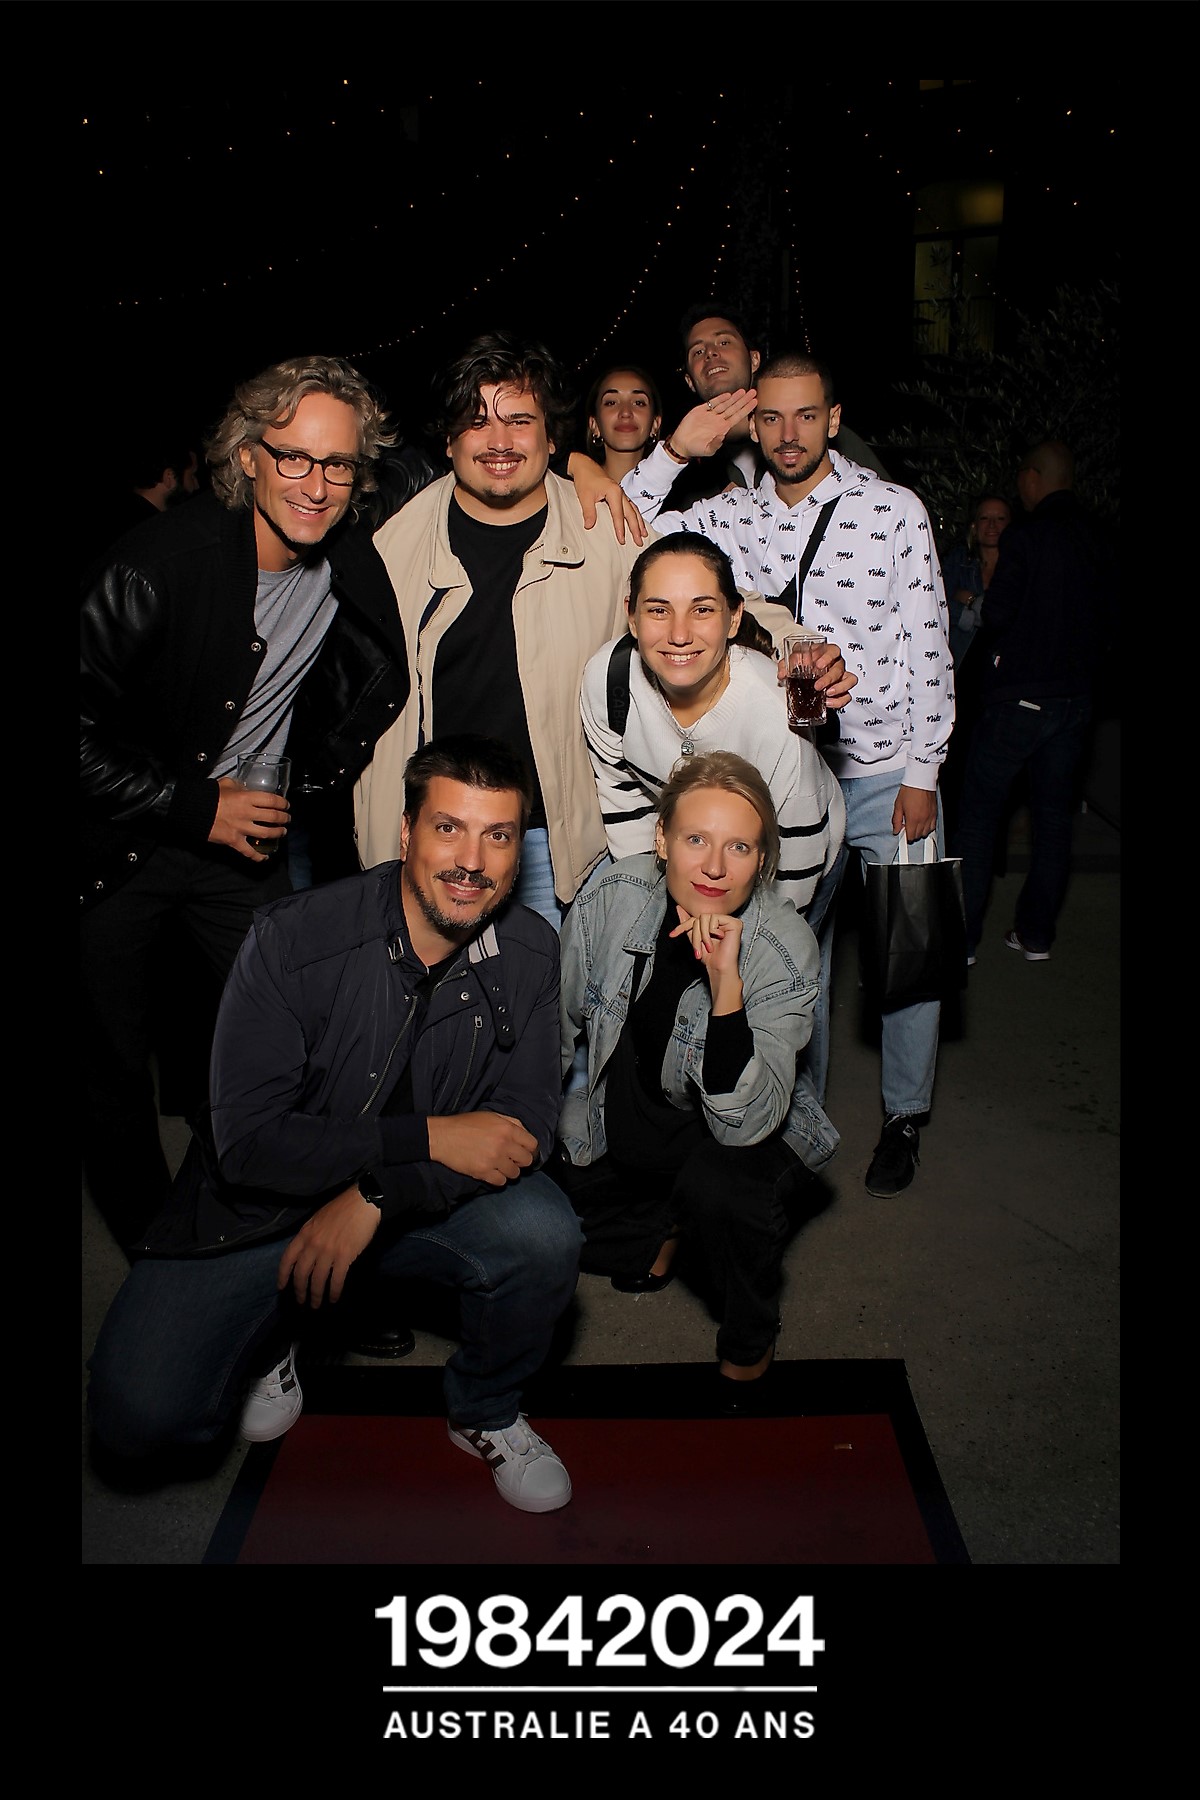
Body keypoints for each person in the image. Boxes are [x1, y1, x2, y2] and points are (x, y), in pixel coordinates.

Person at [88, 736, 581, 1516]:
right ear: (406, 833)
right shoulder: (293, 937)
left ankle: (485, 1409)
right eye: (448, 828)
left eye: (497, 835)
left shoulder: (528, 949)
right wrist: (423, 1138)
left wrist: (379, 1193)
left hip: (414, 1198)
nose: (471, 861)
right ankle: (271, 1337)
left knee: (545, 1232)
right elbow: (247, 1145)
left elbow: (525, 1126)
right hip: (260, 1209)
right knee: (136, 1419)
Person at [81, 354, 410, 1254]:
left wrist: (592, 467)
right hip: (117, 846)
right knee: (112, 1067)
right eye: (293, 456)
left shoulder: (346, 552)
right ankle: (159, 1258)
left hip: (240, 848)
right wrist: (195, 806)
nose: (316, 483)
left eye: (337, 463)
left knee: (286, 1040)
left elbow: (478, 462)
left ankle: (275, 1231)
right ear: (248, 455)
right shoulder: (158, 566)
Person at [621, 350, 954, 1199]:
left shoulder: (893, 510)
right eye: (770, 417)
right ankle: (794, 1124)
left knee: (908, 947)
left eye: (807, 415)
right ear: (751, 423)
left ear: (833, 419)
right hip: (785, 779)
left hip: (885, 771)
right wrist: (677, 450)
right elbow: (623, 525)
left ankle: (904, 1116)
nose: (789, 433)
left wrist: (923, 769)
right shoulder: (730, 515)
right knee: (791, 954)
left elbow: (927, 642)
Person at [551, 752, 837, 1412]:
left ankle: (749, 1331)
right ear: (661, 840)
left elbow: (744, 1123)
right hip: (638, 1124)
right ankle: (663, 1222)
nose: (714, 867)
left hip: (746, 1139)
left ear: (762, 860)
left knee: (722, 1192)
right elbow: (557, 1027)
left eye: (739, 847)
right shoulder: (615, 893)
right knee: (534, 1219)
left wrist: (725, 984)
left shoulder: (783, 946)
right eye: (695, 840)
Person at [355, 331, 647, 928]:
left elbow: (707, 596)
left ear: (551, 437)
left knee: (546, 991)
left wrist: (795, 648)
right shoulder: (392, 547)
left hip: (551, 843)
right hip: (427, 835)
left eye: (519, 420)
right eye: (476, 421)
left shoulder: (608, 532)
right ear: (448, 439)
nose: (499, 442)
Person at [580, 532, 847, 917]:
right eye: (658, 611)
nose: (679, 635)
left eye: (702, 610)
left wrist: (762, 938)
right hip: (694, 850)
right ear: (632, 617)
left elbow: (795, 856)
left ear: (734, 617)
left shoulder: (774, 714)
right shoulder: (608, 681)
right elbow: (625, 800)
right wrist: (654, 901)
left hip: (793, 855)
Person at [955, 441, 1115, 964]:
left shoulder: (1028, 536)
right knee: (1054, 819)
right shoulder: (1100, 537)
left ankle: (964, 940)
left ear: (1034, 476)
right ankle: (1036, 935)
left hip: (1020, 699)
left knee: (979, 817)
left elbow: (999, 614)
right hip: (1077, 701)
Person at [656, 301, 889, 508]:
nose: (710, 353)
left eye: (724, 342)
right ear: (689, 381)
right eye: (698, 351)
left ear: (754, 359)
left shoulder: (821, 433)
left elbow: (887, 511)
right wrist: (675, 452)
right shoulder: (683, 466)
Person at [939, 492, 1014, 838]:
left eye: (1000, 519)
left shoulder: (1019, 562)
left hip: (1005, 678)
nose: (992, 526)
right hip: (962, 673)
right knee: (957, 759)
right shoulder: (959, 561)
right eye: (985, 518)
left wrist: (969, 601)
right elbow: (938, 606)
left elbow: (1014, 616)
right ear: (973, 526)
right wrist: (975, 608)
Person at [584, 363, 664, 482]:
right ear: (594, 424)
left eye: (638, 403)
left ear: (655, 424)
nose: (626, 413)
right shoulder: (565, 489)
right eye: (611, 403)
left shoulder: (671, 489)